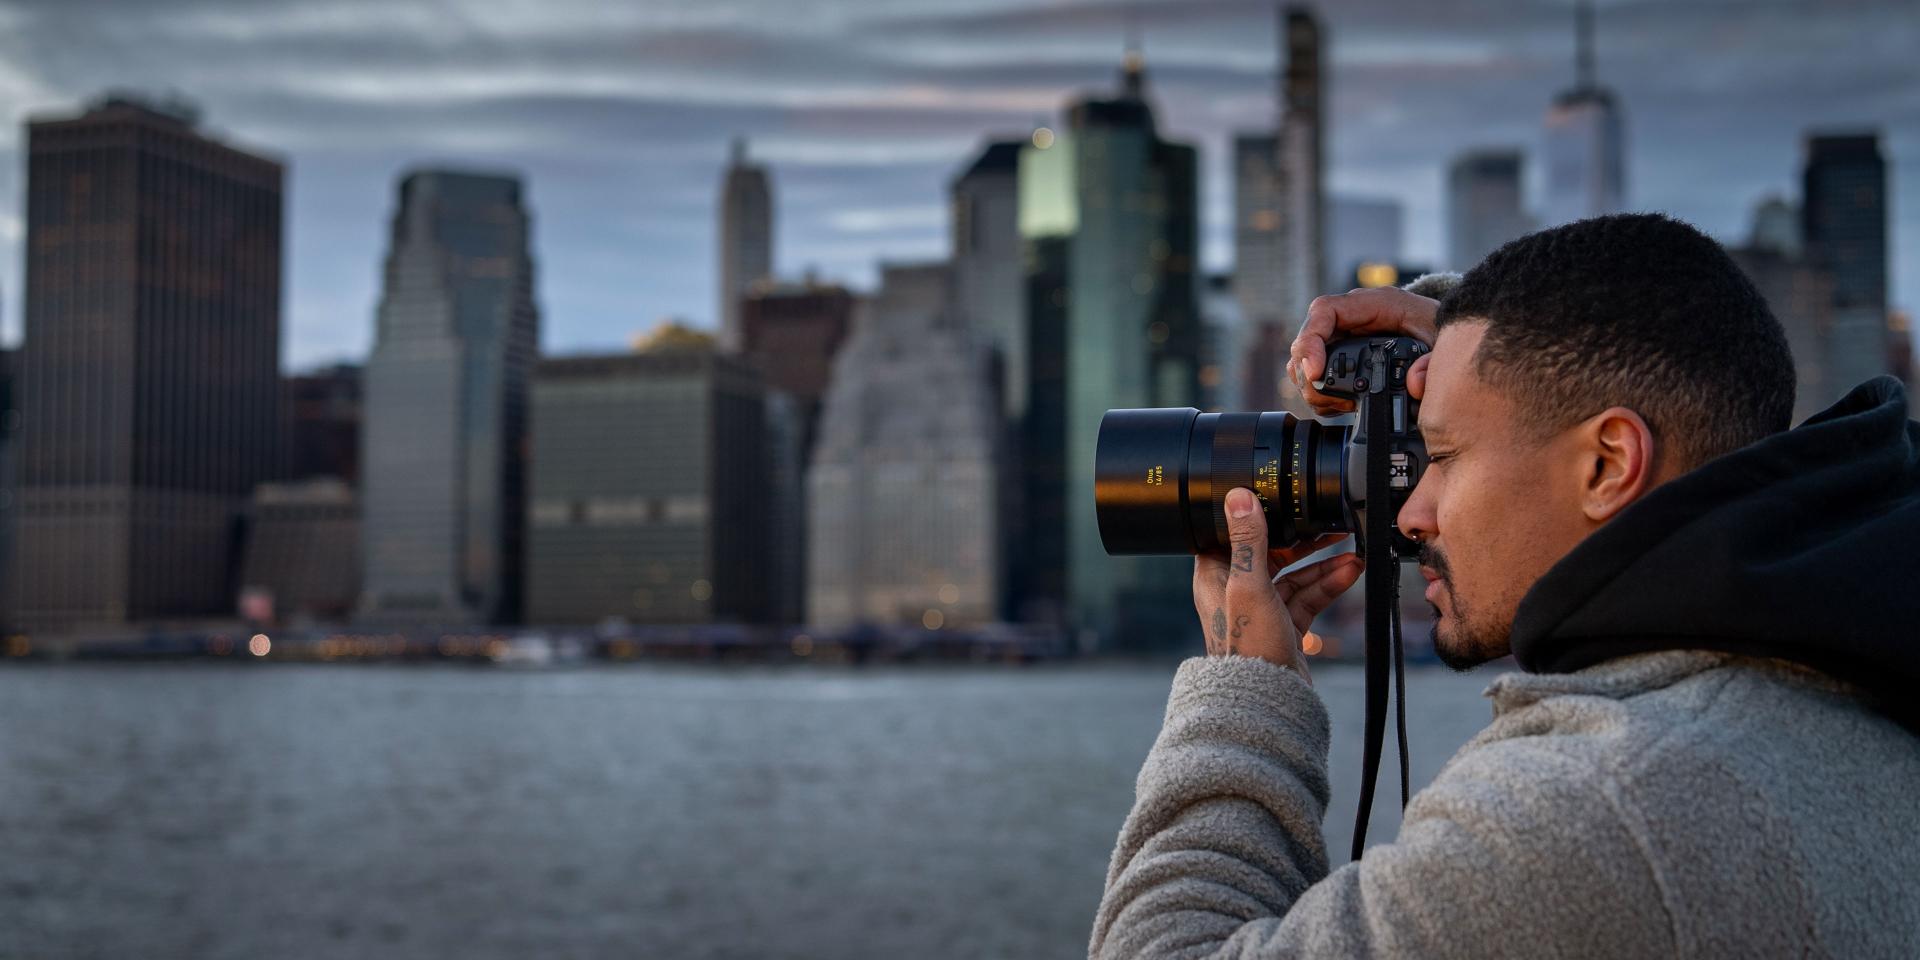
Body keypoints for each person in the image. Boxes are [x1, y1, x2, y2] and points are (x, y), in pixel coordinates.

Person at [1088, 213, 1920, 959]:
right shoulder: (1859, 661)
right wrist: (1473, 349)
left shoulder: (1596, 814)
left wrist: (1247, 696)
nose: (1407, 512)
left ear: (1606, 464)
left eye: (1440, 456)